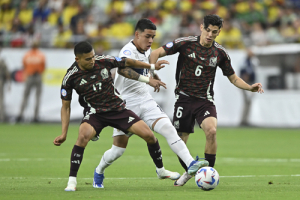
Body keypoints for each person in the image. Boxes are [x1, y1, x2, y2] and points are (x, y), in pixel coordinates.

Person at [150, 14, 264, 186]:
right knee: (180, 142)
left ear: (219, 32)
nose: (210, 34)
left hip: (204, 100)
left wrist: (249, 87)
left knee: (211, 131)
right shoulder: (186, 43)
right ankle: (191, 170)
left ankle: (207, 174)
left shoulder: (220, 53)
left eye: (214, 32)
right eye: (208, 30)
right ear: (201, 27)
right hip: (183, 99)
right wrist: (152, 71)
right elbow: (156, 52)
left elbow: (233, 78)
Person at [93, 18, 208, 189]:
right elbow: (123, 70)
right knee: (118, 151)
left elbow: (146, 69)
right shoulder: (128, 51)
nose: (150, 41)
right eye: (147, 36)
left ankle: (190, 163)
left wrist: (154, 77)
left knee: (168, 129)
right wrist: (148, 79)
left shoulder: (147, 50)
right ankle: (99, 171)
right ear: (137, 34)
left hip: (145, 101)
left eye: (153, 37)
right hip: (125, 106)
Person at [53, 41, 171, 192]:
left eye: (93, 56)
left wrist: (151, 67)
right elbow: (66, 106)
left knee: (148, 135)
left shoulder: (103, 61)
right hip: (95, 113)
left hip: (117, 109)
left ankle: (161, 170)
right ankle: (71, 182)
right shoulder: (70, 77)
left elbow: (126, 62)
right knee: (83, 136)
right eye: (88, 59)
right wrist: (64, 133)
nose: (92, 61)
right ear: (77, 59)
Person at [16, 41, 46, 123]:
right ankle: (35, 116)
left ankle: (20, 115)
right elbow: (43, 66)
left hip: (30, 76)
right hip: (37, 76)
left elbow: (24, 65)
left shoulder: (27, 55)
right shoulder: (40, 55)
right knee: (37, 97)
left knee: (26, 96)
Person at [0, 48, 11, 122]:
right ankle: (1, 117)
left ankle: (2, 117)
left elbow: (7, 73)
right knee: (1, 99)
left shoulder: (2, 61)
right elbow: (7, 73)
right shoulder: (2, 61)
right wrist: (9, 83)